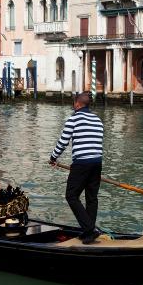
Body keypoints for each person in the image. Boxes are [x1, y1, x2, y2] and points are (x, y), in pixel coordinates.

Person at [49, 92, 104, 244]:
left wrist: (53, 158)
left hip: (82, 163)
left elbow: (63, 142)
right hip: (97, 162)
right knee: (91, 198)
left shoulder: (73, 119)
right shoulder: (98, 120)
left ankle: (90, 229)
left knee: (71, 195)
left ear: (78, 104)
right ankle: (88, 233)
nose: (73, 106)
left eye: (74, 103)